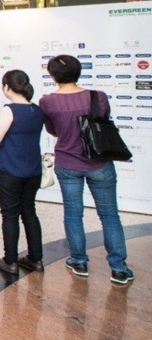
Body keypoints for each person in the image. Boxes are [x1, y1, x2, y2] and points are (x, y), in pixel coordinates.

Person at [39, 55, 133, 285]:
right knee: (110, 215)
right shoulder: (97, 96)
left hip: (68, 163)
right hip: (100, 162)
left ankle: (79, 261)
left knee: (73, 214)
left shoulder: (47, 102)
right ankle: (119, 268)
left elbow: (53, 130)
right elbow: (103, 122)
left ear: (53, 76)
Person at [0, 70, 45, 275]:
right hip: (33, 171)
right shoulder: (37, 110)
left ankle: (10, 261)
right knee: (29, 211)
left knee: (9, 215)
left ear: (7, 87)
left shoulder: (8, 111)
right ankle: (36, 259)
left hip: (10, 171)